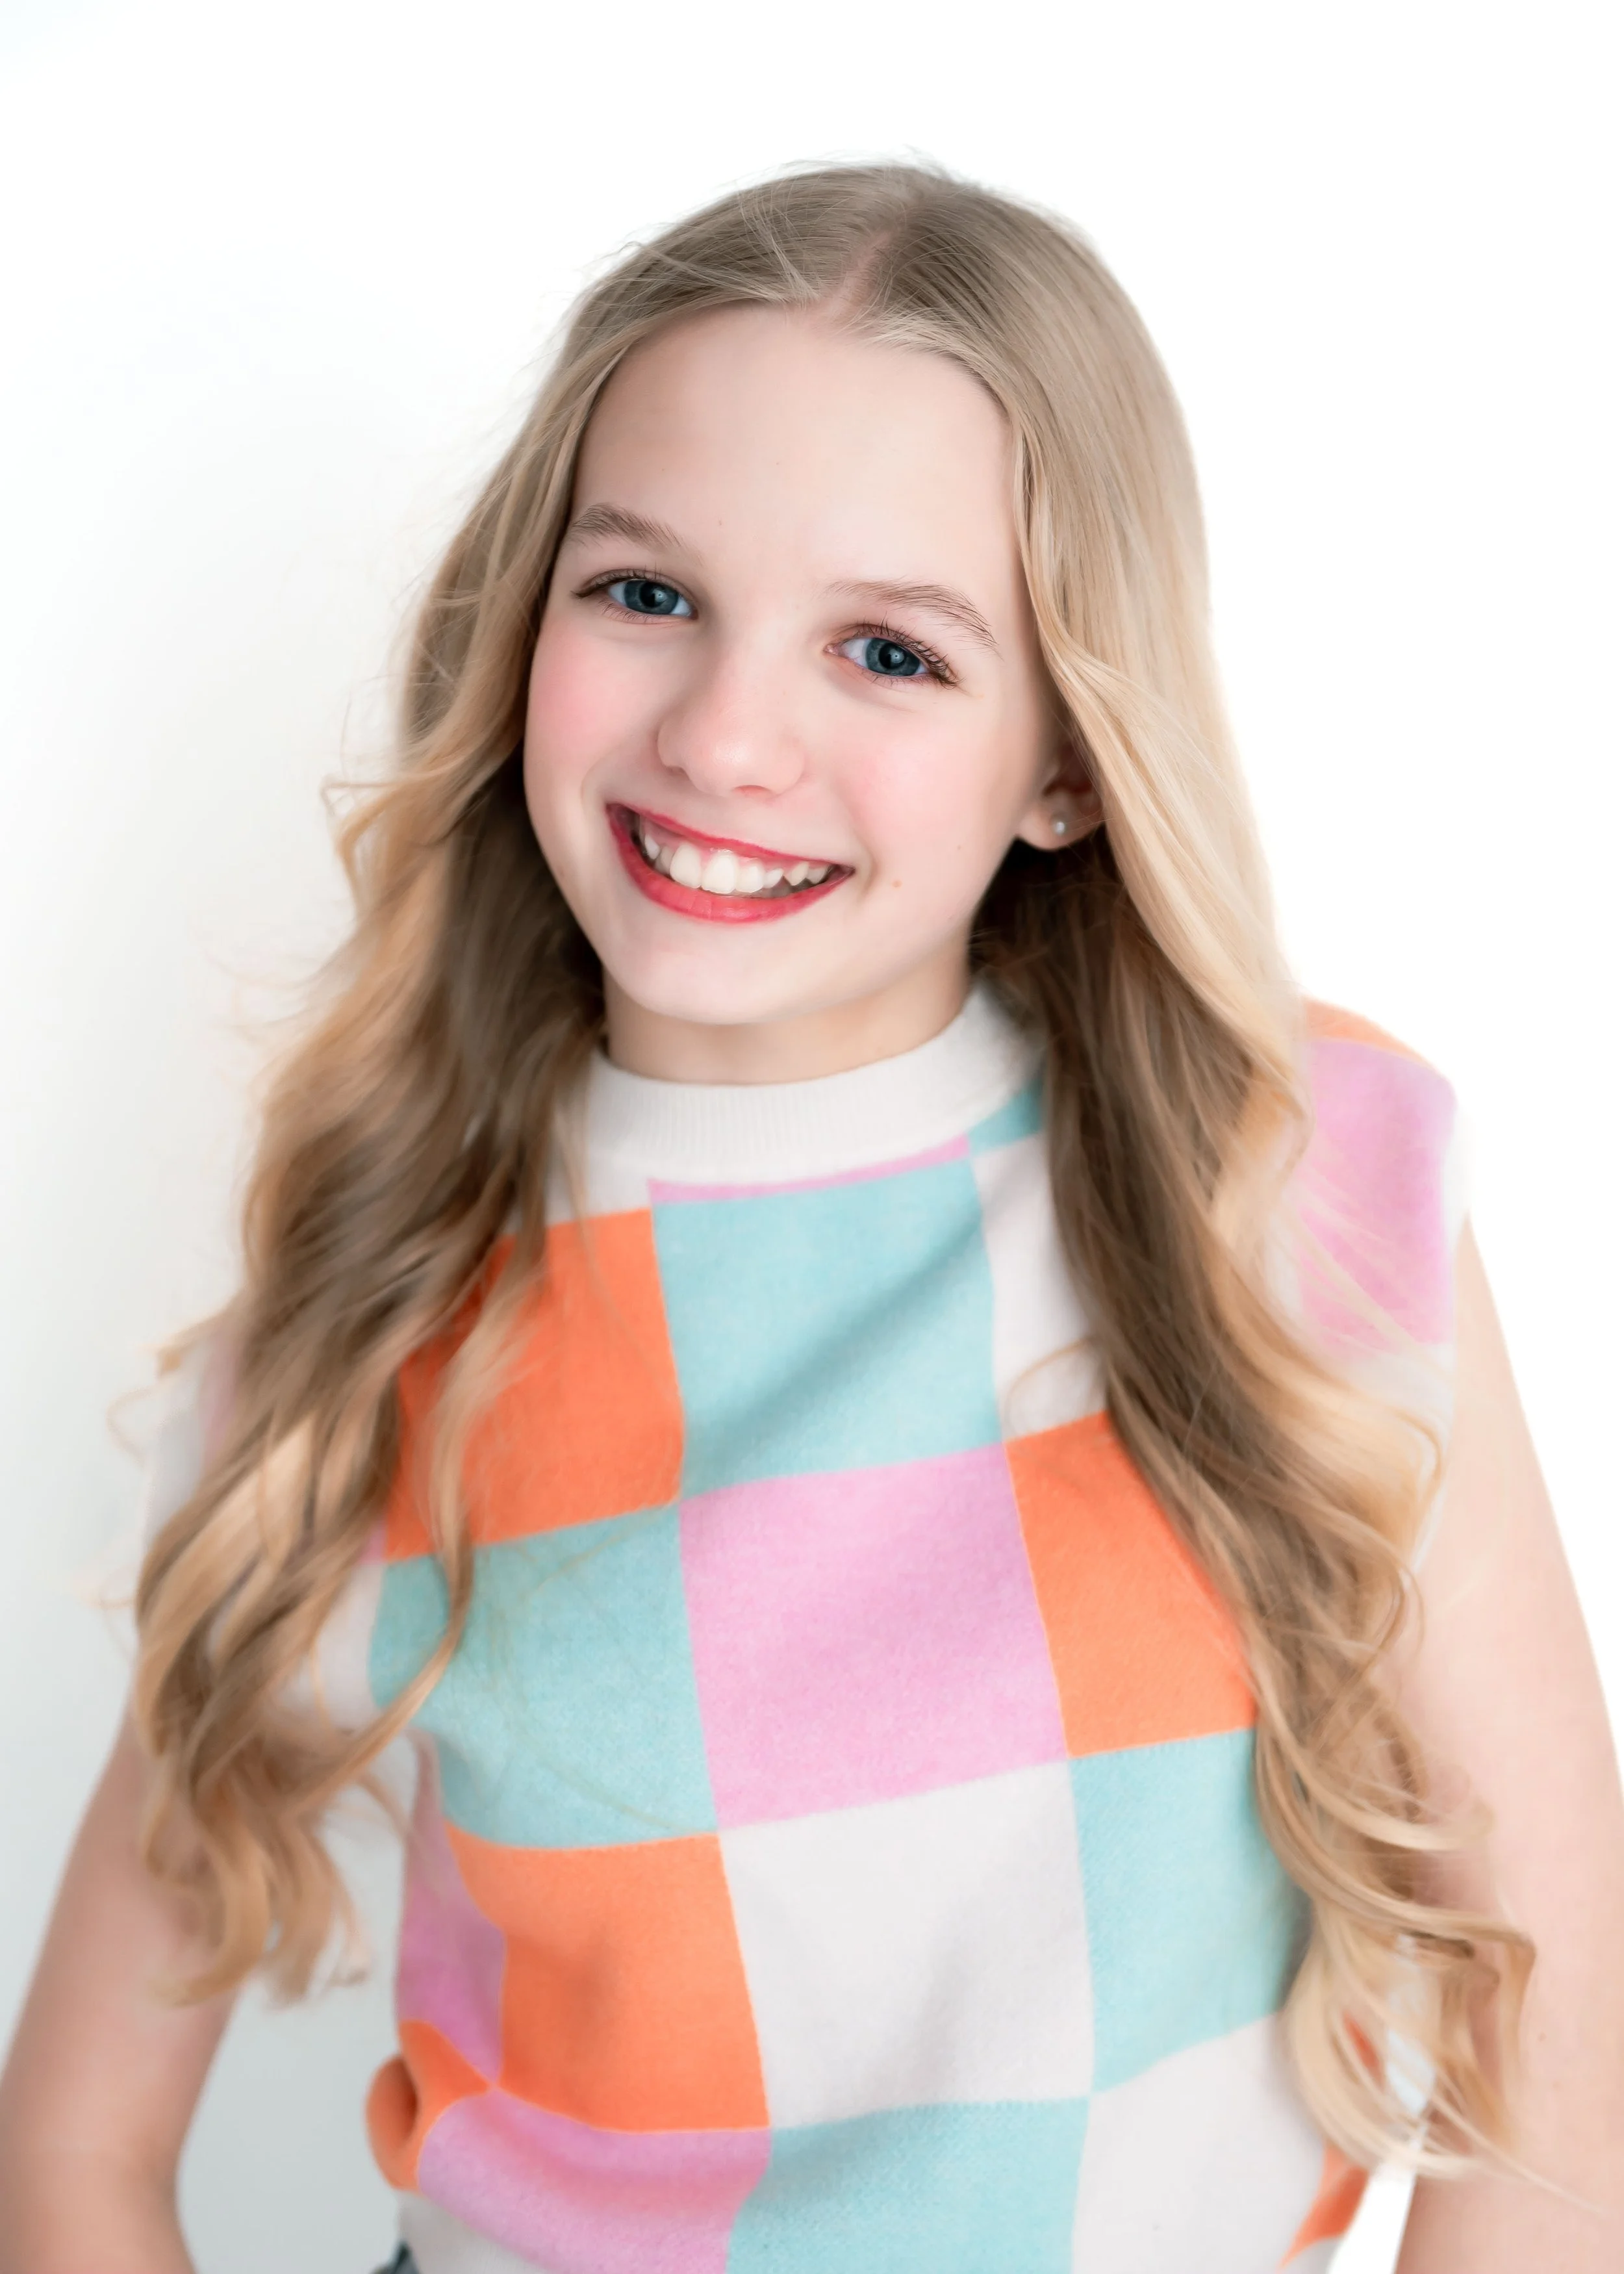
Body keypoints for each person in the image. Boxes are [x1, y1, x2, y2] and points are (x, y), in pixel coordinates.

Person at [1, 160, 1619, 2274]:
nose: (729, 736)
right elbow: (76, 2150)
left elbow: (1559, 2047)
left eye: (888, 649)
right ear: (521, 628)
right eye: (645, 594)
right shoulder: (363, 1330)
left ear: (1066, 757)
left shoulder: (1290, 1187)